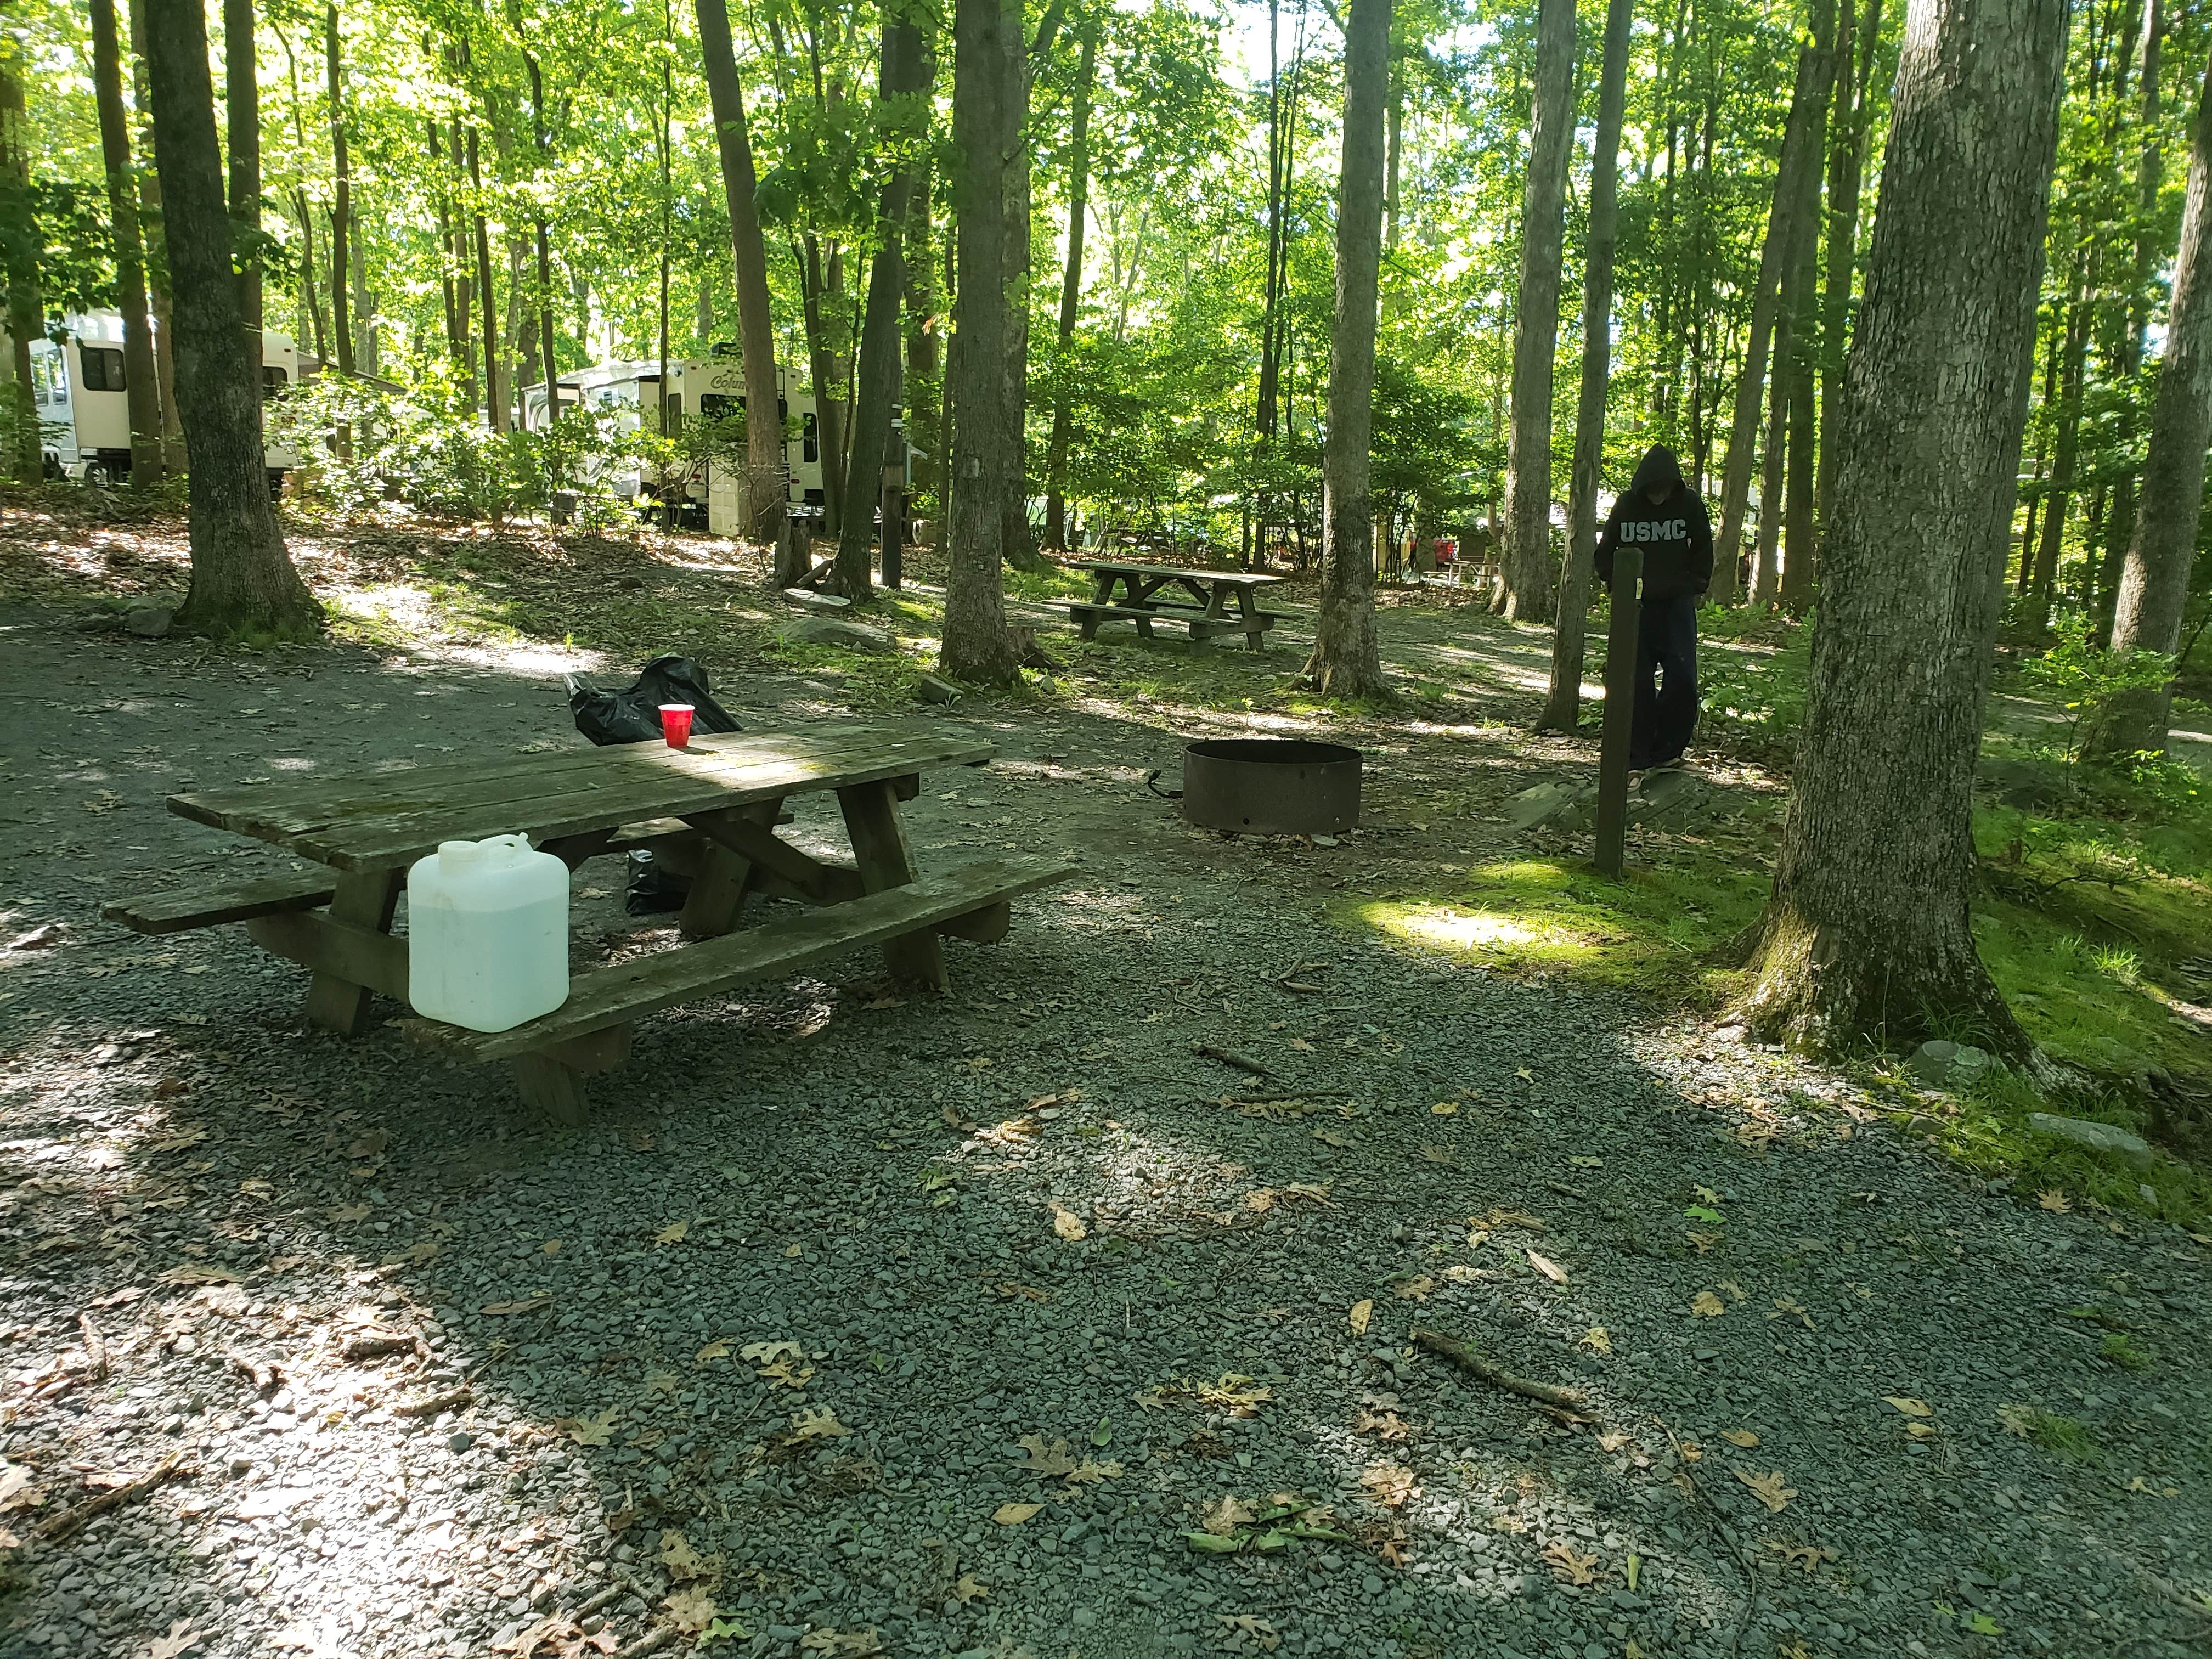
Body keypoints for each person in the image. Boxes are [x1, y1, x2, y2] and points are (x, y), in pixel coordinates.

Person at [1593, 444, 1713, 770]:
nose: (1658, 496)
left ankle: (1668, 752)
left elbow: (1703, 550)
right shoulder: (1627, 506)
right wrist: (1614, 584)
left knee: (1683, 678)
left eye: (1663, 490)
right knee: (1634, 682)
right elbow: (1606, 552)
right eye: (1653, 490)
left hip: (1676, 606)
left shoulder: (1689, 505)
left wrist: (1693, 586)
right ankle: (1635, 754)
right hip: (1634, 607)